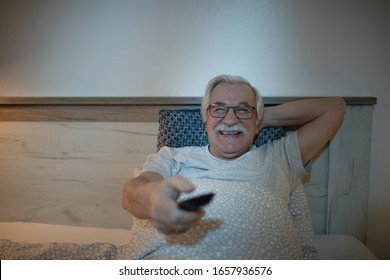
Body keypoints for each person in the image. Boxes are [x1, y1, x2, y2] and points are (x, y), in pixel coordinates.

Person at [121, 75, 346, 259]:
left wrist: (260, 117)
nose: (230, 120)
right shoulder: (173, 157)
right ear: (205, 120)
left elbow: (334, 108)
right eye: (218, 109)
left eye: (242, 109)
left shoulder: (280, 157)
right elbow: (133, 194)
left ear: (259, 122)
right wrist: (153, 198)